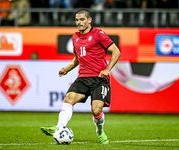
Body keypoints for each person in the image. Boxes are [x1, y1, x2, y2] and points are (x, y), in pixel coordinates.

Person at [41, 8, 121, 144]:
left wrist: (108, 69)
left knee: (96, 110)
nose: (79, 22)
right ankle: (59, 127)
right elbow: (77, 59)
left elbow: (116, 52)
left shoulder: (99, 34)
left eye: (82, 19)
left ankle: (100, 132)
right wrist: (66, 69)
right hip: (83, 77)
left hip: (100, 79)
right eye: (77, 20)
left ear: (89, 20)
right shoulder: (75, 37)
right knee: (69, 98)